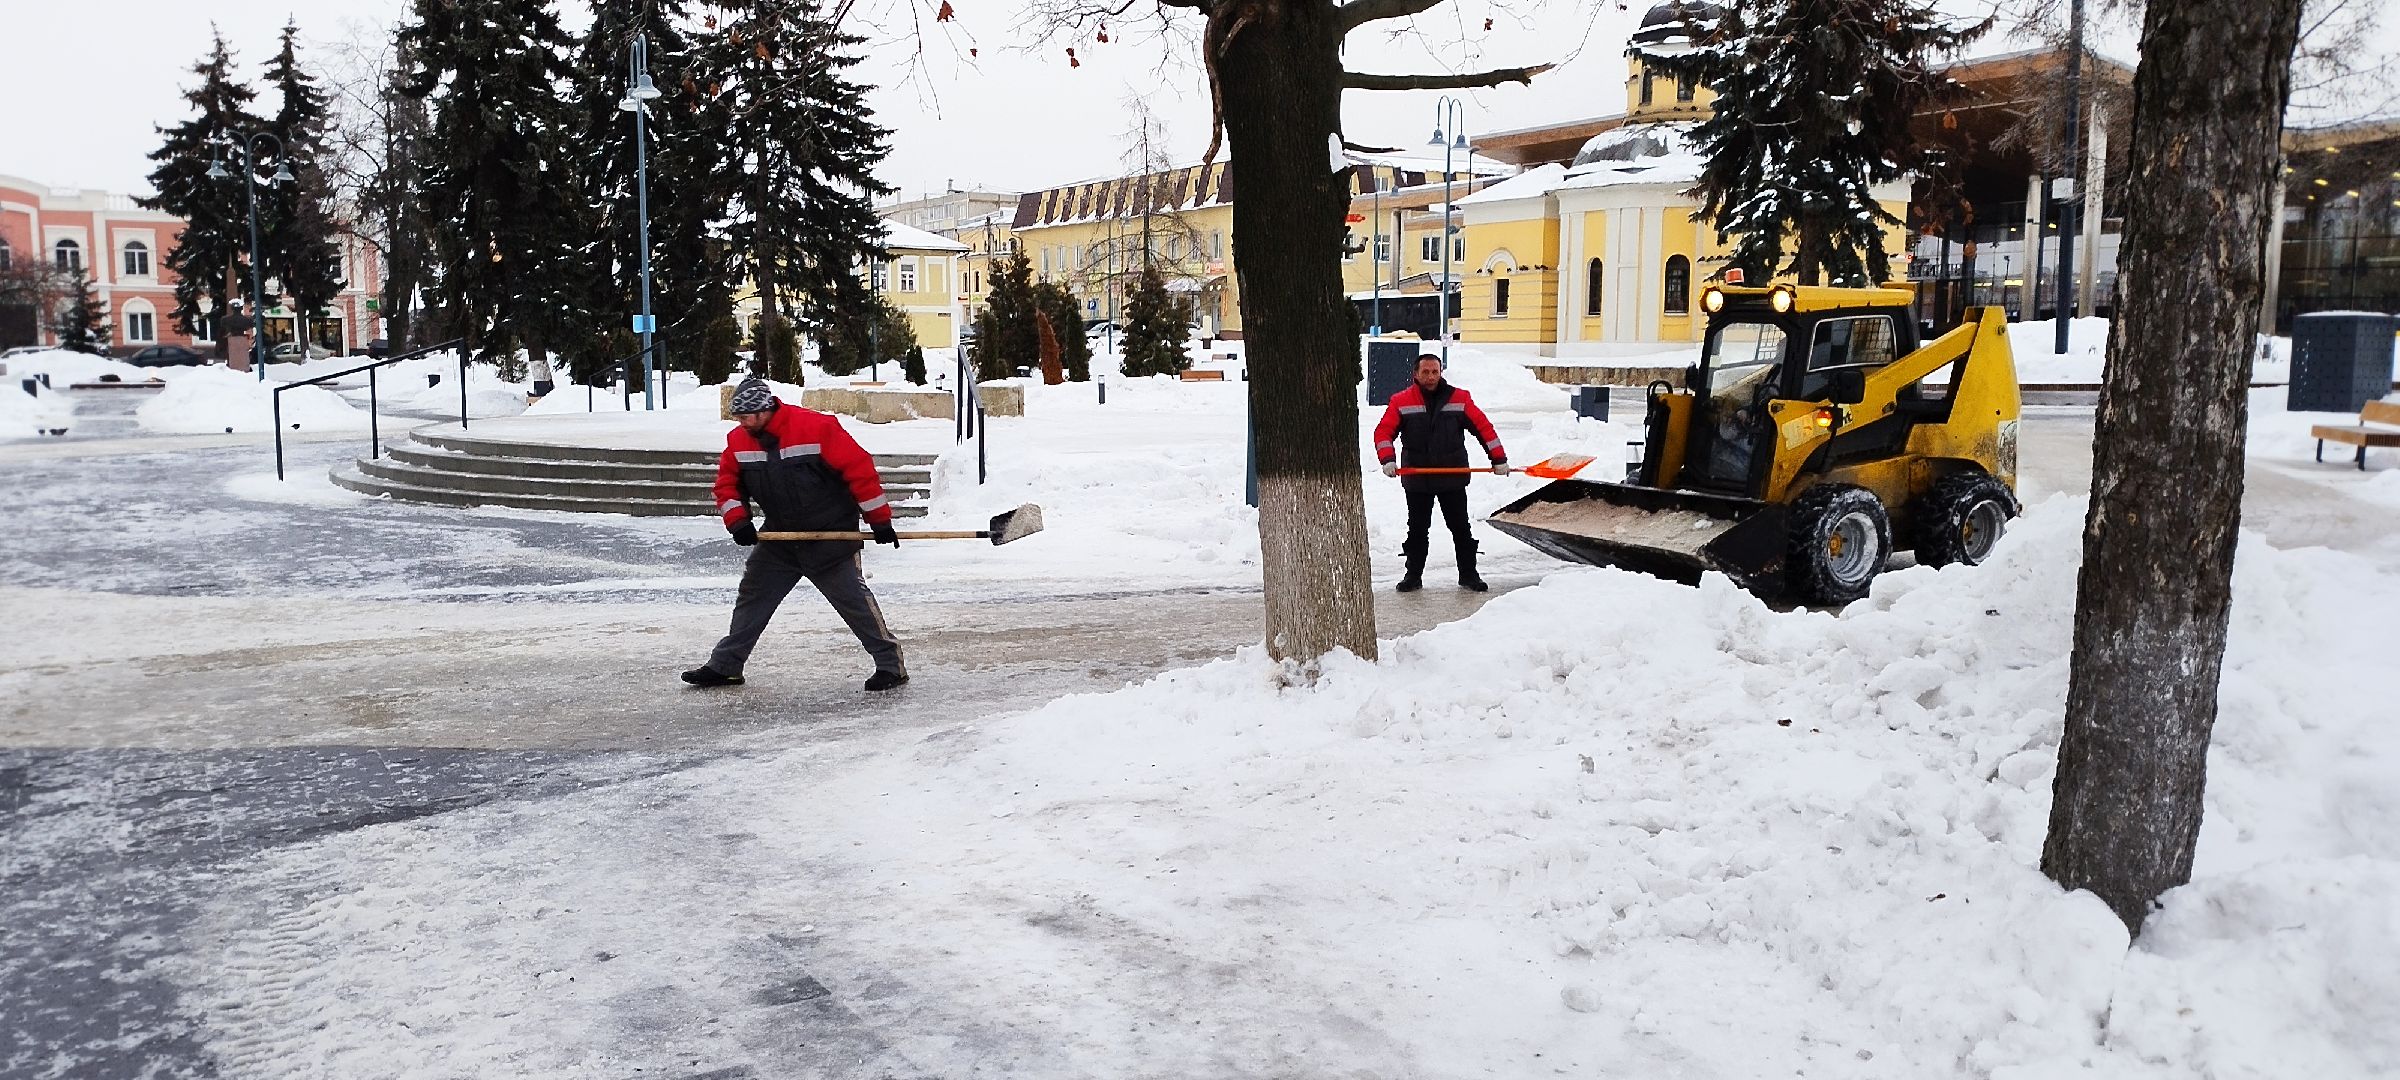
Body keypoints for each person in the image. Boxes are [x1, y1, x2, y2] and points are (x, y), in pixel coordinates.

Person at [682, 377, 908, 691]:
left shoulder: (816, 429)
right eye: (738, 417)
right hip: (781, 541)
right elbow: (726, 487)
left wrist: (879, 521)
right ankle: (726, 666)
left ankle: (890, 666)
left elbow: (860, 470)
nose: (742, 423)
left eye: (746, 417)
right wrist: (738, 522)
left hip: (830, 538)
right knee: (753, 597)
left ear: (765, 411)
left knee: (854, 602)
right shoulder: (738, 442)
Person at [1373, 354, 1508, 593]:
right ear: (1415, 374)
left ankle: (1469, 575)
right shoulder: (1401, 401)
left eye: (1435, 371)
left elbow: (1484, 429)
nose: (1431, 376)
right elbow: (1383, 432)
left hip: (1452, 475)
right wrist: (1388, 460)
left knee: (1460, 528)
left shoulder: (1460, 398)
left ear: (1441, 372)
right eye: (1425, 372)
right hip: (1418, 478)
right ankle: (1412, 576)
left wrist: (1498, 459)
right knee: (1417, 529)